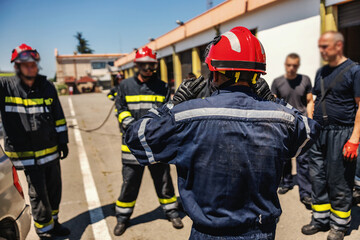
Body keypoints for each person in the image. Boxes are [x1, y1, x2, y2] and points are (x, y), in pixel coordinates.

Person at [124, 27, 319, 240]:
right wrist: (274, 101)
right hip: (261, 232)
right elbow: (310, 130)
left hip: (208, 233)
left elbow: (136, 138)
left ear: (214, 72)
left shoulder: (186, 115)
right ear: (257, 74)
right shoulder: (282, 117)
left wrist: (172, 104)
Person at [0, 44, 70, 239]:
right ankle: (44, 230)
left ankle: (54, 223)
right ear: (17, 66)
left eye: (33, 64)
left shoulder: (47, 87)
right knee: (39, 194)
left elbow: (58, 115)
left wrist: (63, 141)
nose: (31, 68)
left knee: (55, 190)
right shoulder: (6, 87)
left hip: (50, 150)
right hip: (27, 155)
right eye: (25, 65)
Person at [113, 46, 183, 236]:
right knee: (129, 184)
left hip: (156, 147)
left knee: (164, 182)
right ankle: (122, 218)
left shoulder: (162, 86)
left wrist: (156, 132)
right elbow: (120, 108)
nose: (148, 69)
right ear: (137, 65)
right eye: (144, 66)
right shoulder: (125, 85)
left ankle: (171, 212)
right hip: (131, 148)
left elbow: (168, 111)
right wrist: (133, 128)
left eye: (151, 66)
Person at [301, 31, 360, 240]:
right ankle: (320, 219)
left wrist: (354, 139)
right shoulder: (322, 72)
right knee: (317, 177)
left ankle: (339, 225)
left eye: (325, 46)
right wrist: (310, 124)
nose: (322, 51)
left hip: (341, 133)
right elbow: (314, 99)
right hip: (319, 132)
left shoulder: (354, 70)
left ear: (338, 46)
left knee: (339, 180)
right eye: (320, 46)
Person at [271, 53, 314, 208]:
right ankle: (287, 182)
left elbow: (309, 101)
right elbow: (274, 102)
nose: (291, 68)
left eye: (295, 65)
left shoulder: (305, 80)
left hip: (302, 124)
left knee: (303, 159)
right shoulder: (277, 82)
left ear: (298, 65)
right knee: (285, 157)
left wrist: (310, 119)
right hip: (284, 124)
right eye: (289, 65)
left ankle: (306, 192)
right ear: (285, 64)